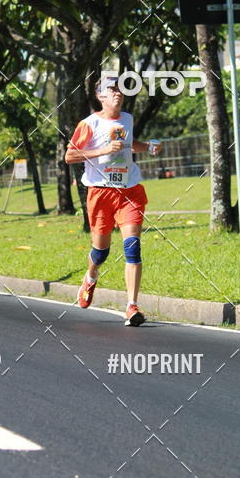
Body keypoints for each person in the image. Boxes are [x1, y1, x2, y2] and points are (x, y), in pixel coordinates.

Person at [65, 76, 163, 326]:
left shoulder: (127, 119)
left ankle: (132, 306)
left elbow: (129, 146)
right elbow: (69, 155)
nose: (117, 93)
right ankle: (90, 276)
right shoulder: (89, 123)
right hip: (100, 193)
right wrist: (101, 151)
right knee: (101, 252)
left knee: (132, 247)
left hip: (128, 190)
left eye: (120, 89)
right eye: (111, 89)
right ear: (100, 96)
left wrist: (149, 147)